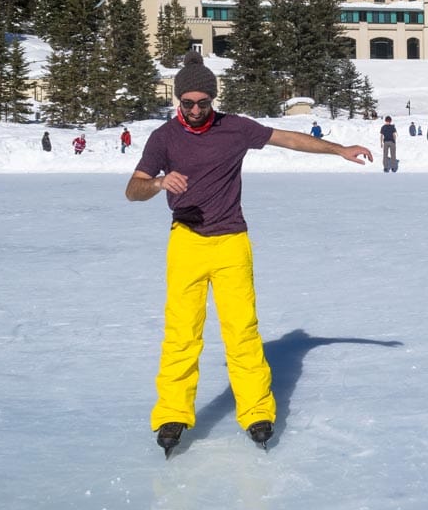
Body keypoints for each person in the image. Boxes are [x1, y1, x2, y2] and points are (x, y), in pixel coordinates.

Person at [125, 53, 372, 456]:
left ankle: (256, 411)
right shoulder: (164, 138)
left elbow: (288, 138)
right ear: (177, 102)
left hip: (231, 243)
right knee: (181, 334)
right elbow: (132, 190)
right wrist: (157, 182)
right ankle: (173, 413)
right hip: (185, 242)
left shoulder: (235, 129)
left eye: (203, 103)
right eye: (187, 103)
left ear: (213, 100)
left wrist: (338, 149)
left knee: (242, 332)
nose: (195, 110)